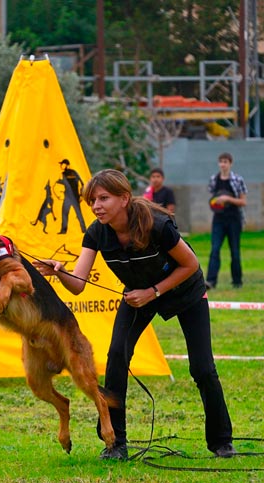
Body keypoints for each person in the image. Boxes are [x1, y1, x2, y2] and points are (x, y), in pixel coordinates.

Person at [33, 169, 236, 461]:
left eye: (104, 198)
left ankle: (221, 441)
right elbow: (77, 285)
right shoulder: (96, 233)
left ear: (124, 198)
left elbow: (190, 265)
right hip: (139, 295)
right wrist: (60, 271)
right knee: (117, 356)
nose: (96, 205)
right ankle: (116, 443)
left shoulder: (157, 225)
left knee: (202, 369)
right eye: (92, 200)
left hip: (184, 290)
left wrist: (153, 292)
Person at [205, 152, 247, 289]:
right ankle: (210, 281)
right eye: (221, 161)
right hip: (218, 220)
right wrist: (215, 203)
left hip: (234, 219)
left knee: (234, 251)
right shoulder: (214, 179)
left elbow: (243, 201)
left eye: (226, 162)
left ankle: (237, 281)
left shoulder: (237, 180)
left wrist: (228, 199)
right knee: (215, 249)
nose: (223, 164)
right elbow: (213, 199)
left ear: (230, 163)